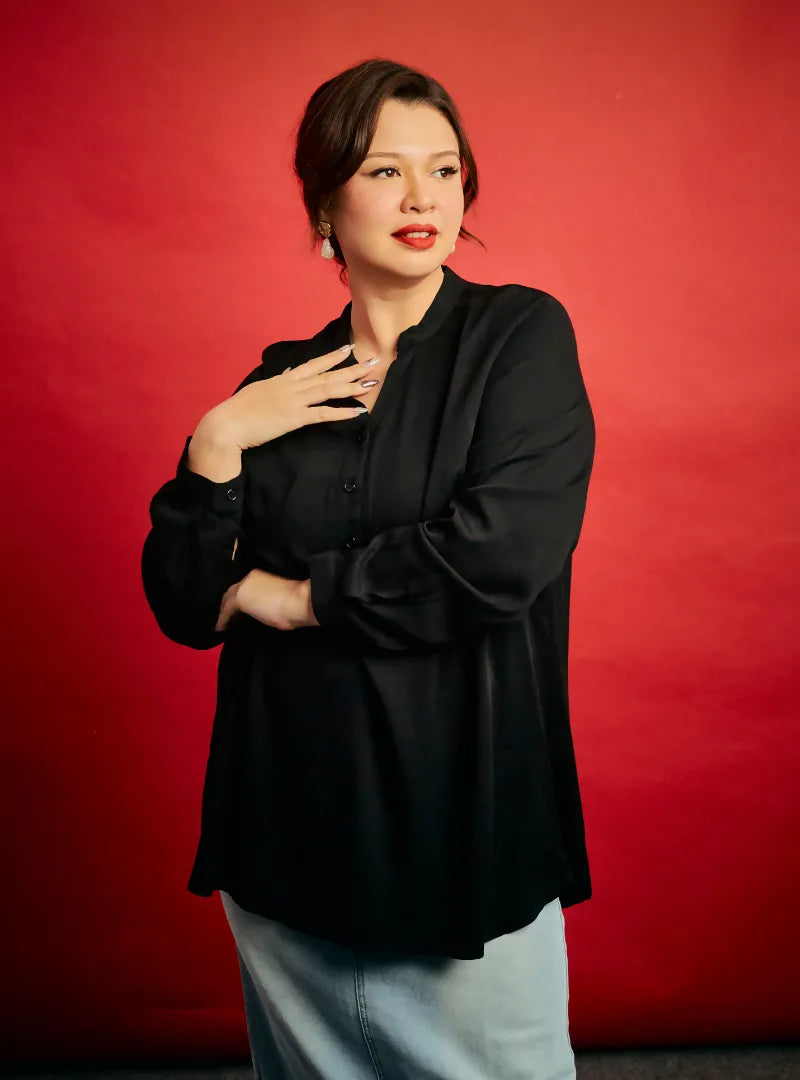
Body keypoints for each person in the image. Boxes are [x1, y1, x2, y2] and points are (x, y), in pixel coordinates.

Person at [142, 57, 595, 1080]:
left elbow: (493, 559)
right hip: (285, 818)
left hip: (457, 824)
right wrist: (216, 441)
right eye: (385, 171)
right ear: (325, 205)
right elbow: (182, 599)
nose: (422, 195)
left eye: (442, 169)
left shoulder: (517, 337)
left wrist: (291, 599)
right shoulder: (273, 386)